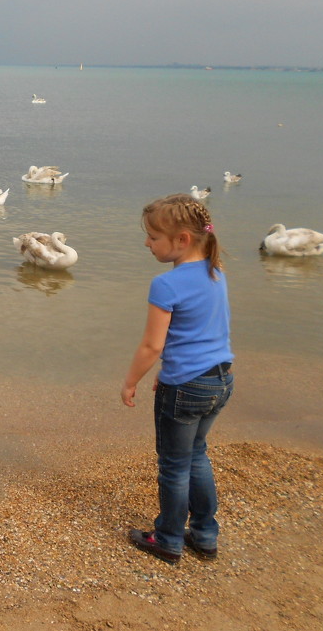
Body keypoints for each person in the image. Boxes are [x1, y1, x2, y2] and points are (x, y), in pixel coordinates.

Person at [121, 193, 234, 565]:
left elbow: (152, 345)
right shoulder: (216, 272)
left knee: (173, 464)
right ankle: (204, 535)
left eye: (153, 237)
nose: (147, 243)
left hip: (185, 387)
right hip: (219, 380)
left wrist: (131, 381)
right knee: (196, 455)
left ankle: (168, 538)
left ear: (182, 240)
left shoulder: (166, 284)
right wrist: (173, 371)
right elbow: (203, 333)